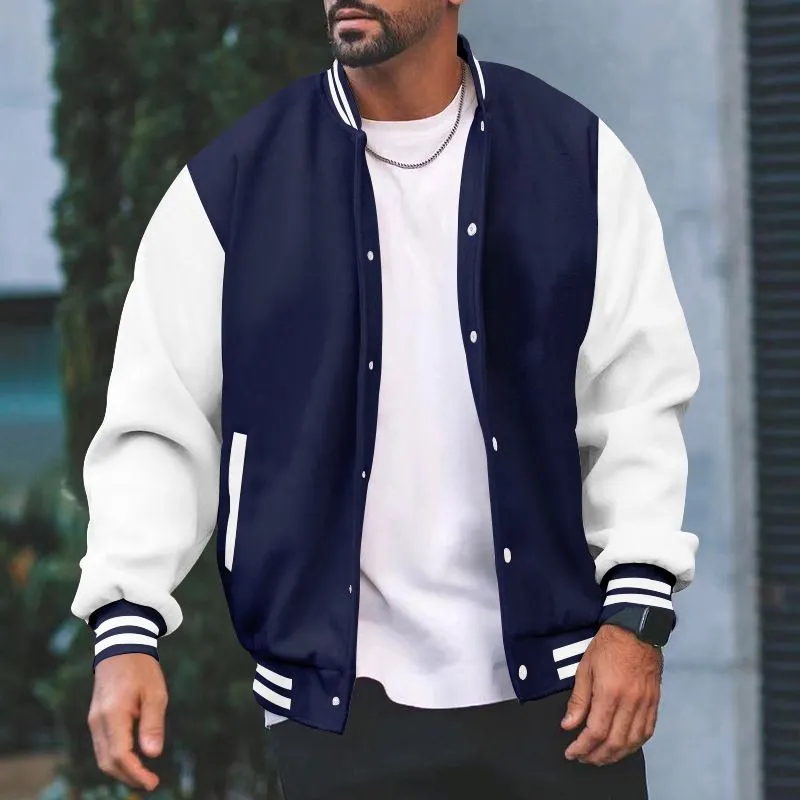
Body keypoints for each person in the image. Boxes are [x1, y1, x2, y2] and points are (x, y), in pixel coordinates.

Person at [71, 1, 701, 798]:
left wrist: (636, 618)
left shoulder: (576, 157)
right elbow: (157, 424)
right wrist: (126, 629)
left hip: (566, 695)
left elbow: (636, 399)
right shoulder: (234, 184)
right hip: (338, 710)